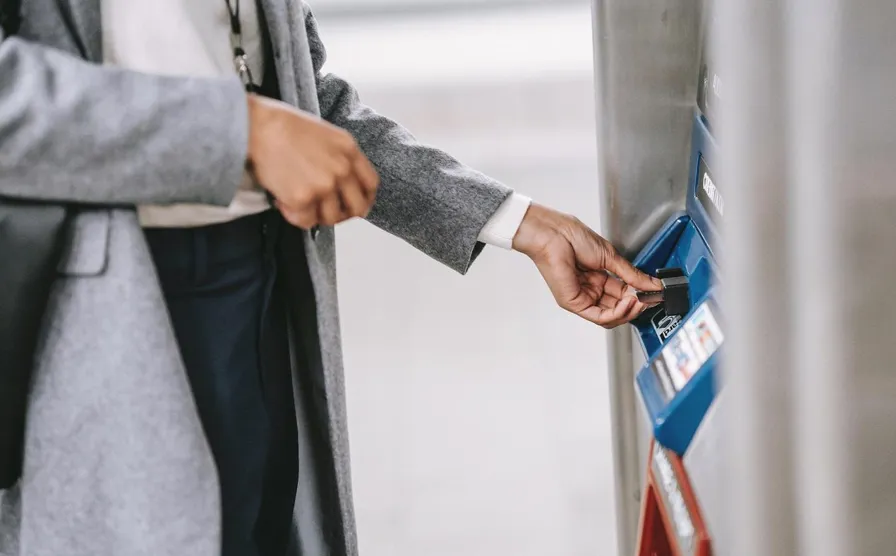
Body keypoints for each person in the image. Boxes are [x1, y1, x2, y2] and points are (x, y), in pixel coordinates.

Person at [0, 1, 664, 555]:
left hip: (265, 282)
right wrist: (236, 129)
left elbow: (303, 106)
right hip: (107, 309)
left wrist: (516, 221)